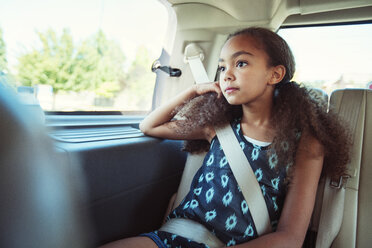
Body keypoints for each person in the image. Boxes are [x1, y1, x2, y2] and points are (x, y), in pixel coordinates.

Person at [100, 27, 351, 248]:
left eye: (240, 63)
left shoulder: (306, 143)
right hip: (173, 238)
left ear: (274, 75)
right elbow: (149, 126)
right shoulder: (218, 127)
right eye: (222, 67)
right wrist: (194, 90)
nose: (227, 74)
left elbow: (289, 239)